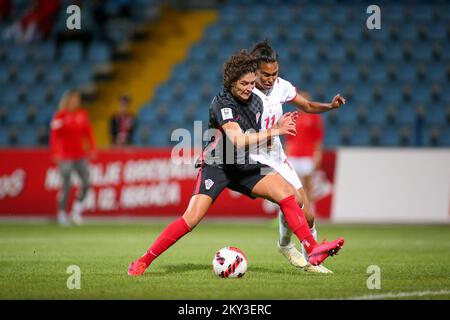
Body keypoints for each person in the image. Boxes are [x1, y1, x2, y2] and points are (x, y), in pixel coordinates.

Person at [127, 50, 344, 276]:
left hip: (244, 165)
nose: (248, 88)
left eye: (252, 83)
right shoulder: (222, 103)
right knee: (191, 219)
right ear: (231, 81)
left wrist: (275, 126)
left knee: (288, 194)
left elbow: (256, 136)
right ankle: (143, 261)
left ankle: (312, 248)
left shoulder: (257, 102)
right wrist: (276, 129)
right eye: (243, 83)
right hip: (218, 165)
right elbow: (238, 139)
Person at [249, 40, 345, 273]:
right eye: (265, 74)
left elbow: (308, 106)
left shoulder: (282, 86)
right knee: (293, 201)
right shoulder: (245, 91)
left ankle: (292, 249)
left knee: (308, 214)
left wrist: (330, 106)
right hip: (255, 159)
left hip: (278, 157)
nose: (271, 78)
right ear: (254, 71)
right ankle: (309, 256)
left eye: (274, 73)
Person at [49, 90, 96, 226]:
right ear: (68, 100)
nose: (76, 102)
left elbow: (89, 133)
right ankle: (62, 213)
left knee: (87, 183)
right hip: (65, 156)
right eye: (74, 99)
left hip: (80, 155)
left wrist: (92, 148)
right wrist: (55, 153)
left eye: (78, 99)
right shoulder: (60, 116)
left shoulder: (82, 115)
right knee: (66, 185)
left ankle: (76, 210)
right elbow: (54, 136)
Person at [285, 91, 324, 209]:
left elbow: (318, 138)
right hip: (293, 155)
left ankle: (309, 212)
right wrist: (286, 155)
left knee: (307, 185)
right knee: (289, 186)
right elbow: (289, 139)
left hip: (307, 155)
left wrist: (318, 154)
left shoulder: (315, 118)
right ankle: (286, 214)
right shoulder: (293, 117)